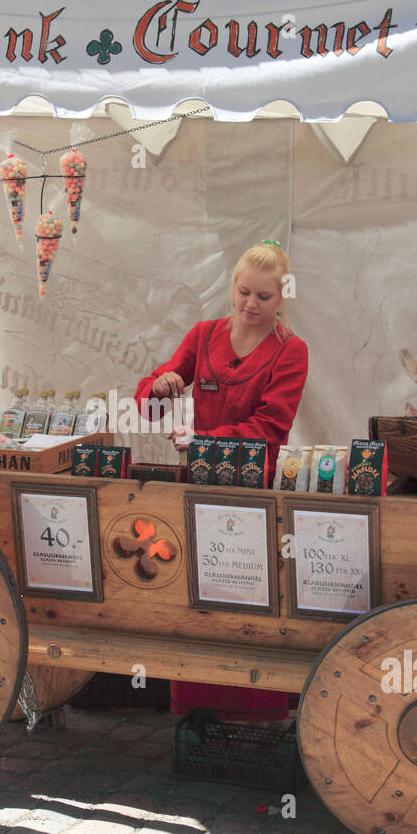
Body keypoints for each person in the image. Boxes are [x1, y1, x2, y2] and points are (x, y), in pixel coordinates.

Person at [134, 240, 308, 723]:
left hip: (255, 494)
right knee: (199, 603)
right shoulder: (204, 333)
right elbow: (148, 406)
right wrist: (163, 383)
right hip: (200, 491)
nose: (251, 305)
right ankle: (196, 714)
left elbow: (271, 430)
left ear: (282, 299)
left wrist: (204, 439)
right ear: (233, 286)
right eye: (244, 292)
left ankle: (258, 718)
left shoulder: (292, 352)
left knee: (249, 604)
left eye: (264, 298)